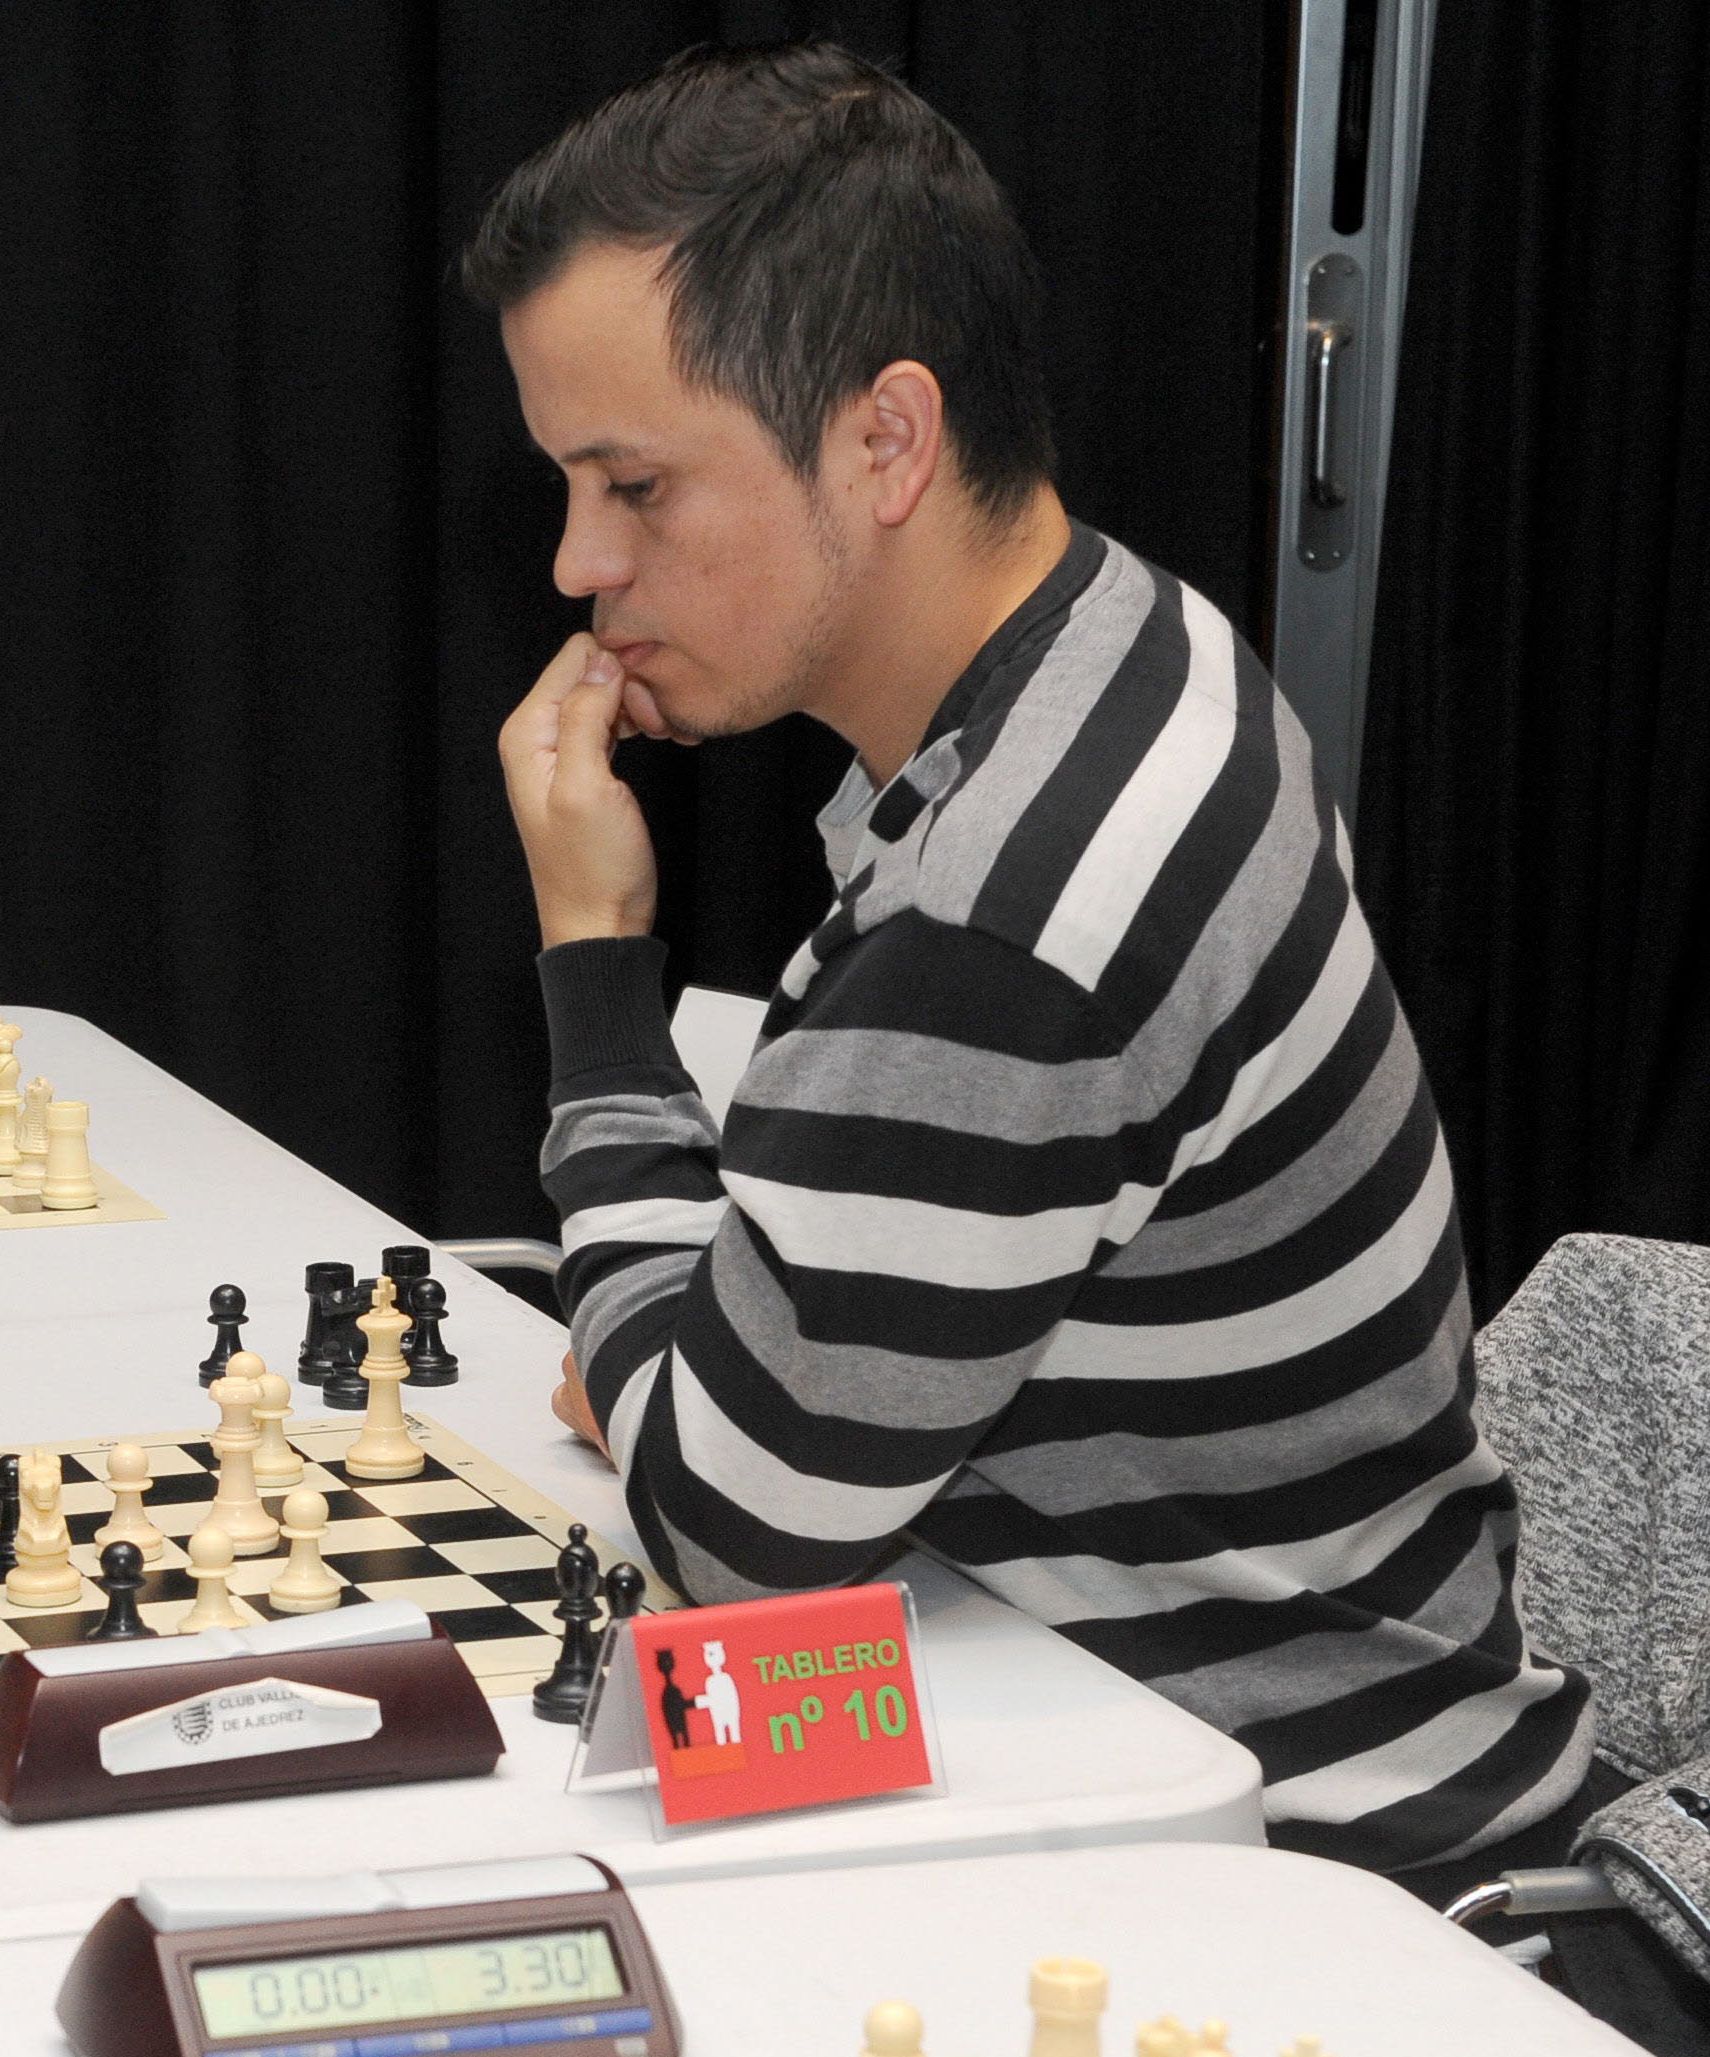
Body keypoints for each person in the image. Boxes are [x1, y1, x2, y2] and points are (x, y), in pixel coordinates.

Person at [468, 44, 1591, 1875]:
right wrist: (692, 1357)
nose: (582, 563)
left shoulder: (1010, 904)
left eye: (635, 484)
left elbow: (721, 1527)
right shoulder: (1132, 645)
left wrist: (597, 967)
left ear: (885, 438)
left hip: (1294, 1871)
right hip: (1190, 1736)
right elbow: (746, 1394)